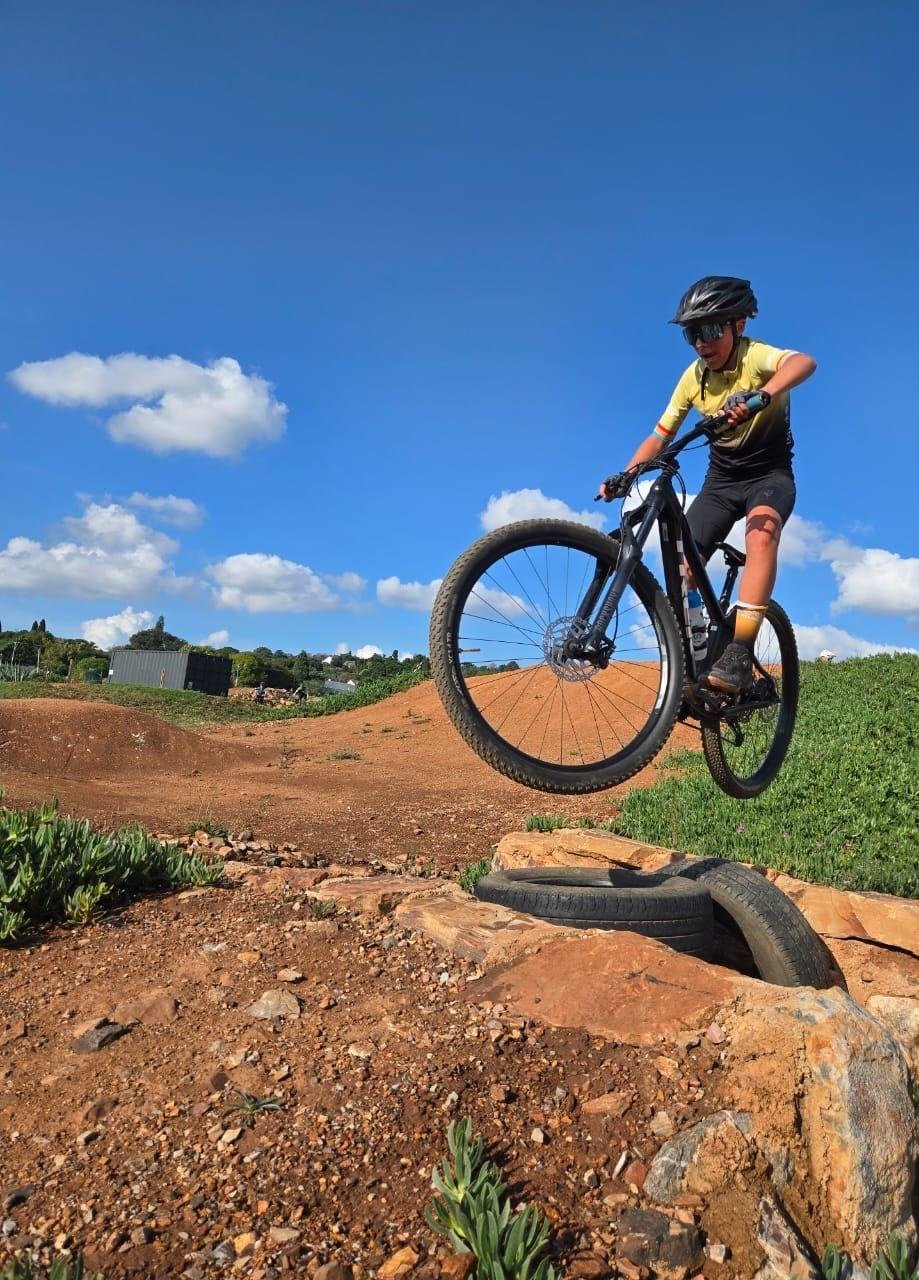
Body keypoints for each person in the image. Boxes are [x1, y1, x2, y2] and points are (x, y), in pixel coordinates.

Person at [598, 275, 816, 694]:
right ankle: (698, 652)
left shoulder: (756, 357)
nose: (702, 342)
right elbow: (660, 436)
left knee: (762, 533)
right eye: (691, 333)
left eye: (712, 329)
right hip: (721, 482)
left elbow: (803, 362)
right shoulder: (693, 377)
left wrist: (762, 396)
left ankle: (737, 654)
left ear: (739, 325)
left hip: (768, 476)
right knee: (684, 567)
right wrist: (626, 474)